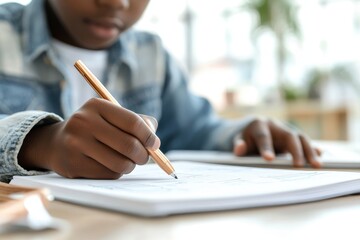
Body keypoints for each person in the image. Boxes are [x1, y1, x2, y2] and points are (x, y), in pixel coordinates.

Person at [0, 0, 321, 183]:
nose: (117, 3)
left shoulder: (150, 54)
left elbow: (192, 129)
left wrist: (240, 135)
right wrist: (41, 143)